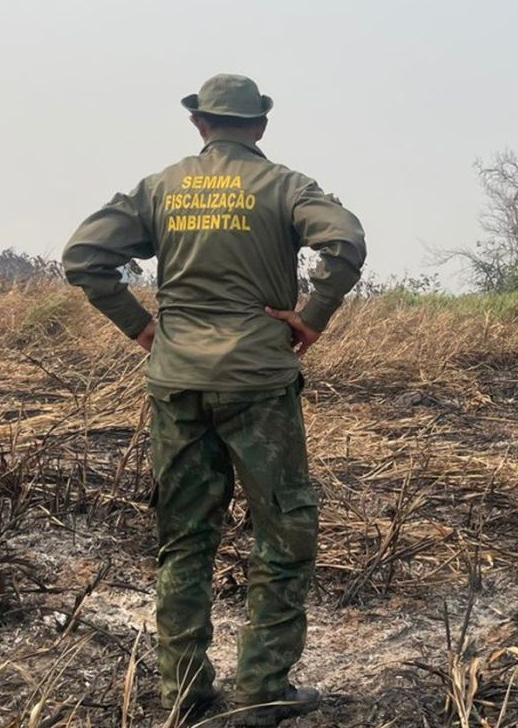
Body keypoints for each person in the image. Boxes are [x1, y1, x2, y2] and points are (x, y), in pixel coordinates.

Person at [62, 73, 366, 726]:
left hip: (176, 383)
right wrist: (311, 315)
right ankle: (261, 692)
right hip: (259, 382)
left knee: (185, 538)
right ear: (259, 126)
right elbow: (343, 242)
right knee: (284, 534)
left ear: (199, 124)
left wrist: (141, 327)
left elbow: (84, 255)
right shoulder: (286, 187)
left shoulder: (158, 188)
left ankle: (185, 695)